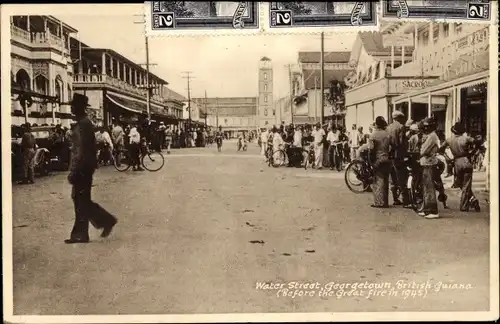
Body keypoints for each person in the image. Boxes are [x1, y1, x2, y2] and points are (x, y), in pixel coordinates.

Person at [65, 93, 117, 244]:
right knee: (81, 199)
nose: (72, 108)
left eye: (74, 106)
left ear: (79, 107)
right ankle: (96, 225)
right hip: (86, 166)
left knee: (80, 200)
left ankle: (100, 223)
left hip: (82, 168)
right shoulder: (84, 123)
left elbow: (80, 150)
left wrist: (74, 170)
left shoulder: (83, 124)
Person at [439, 122, 480, 212]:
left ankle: (470, 201)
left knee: (461, 184)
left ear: (454, 131)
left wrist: (448, 158)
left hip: (457, 162)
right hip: (466, 161)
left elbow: (440, 150)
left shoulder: (449, 140)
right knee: (466, 184)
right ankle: (468, 203)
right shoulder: (466, 138)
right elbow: (477, 142)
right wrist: (472, 152)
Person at [418, 117, 441, 219]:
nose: (425, 128)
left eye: (427, 126)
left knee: (429, 187)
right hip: (427, 162)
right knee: (426, 187)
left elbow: (423, 150)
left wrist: (421, 149)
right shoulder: (431, 136)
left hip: (429, 163)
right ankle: (427, 209)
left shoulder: (432, 136)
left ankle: (432, 210)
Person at [387, 110, 410, 207]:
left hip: (390, 155)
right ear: (399, 118)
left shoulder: (388, 127)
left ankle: (395, 198)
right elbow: (401, 142)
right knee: (401, 177)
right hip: (398, 155)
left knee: (393, 178)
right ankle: (405, 201)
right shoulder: (401, 127)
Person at [368, 117, 392, 208]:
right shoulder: (387, 134)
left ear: (376, 124)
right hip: (387, 159)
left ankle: (379, 202)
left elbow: (371, 150)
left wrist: (371, 162)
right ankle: (385, 202)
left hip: (378, 159)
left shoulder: (373, 135)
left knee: (378, 181)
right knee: (385, 181)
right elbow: (391, 147)